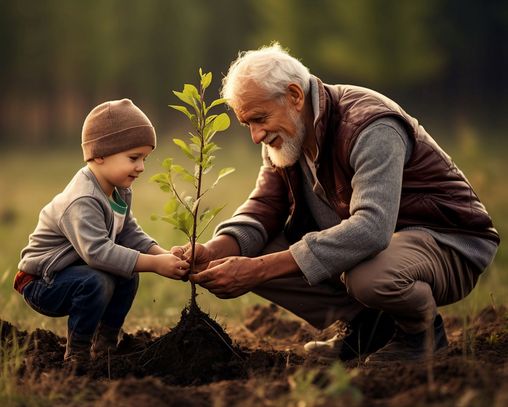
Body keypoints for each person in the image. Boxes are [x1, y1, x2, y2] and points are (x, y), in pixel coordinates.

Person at [174, 43, 500, 364]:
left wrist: (257, 270)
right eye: (248, 125)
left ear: (294, 95)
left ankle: (421, 333)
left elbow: (371, 230)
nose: (256, 136)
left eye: (259, 119)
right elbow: (264, 206)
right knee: (248, 249)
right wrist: (217, 250)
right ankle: (370, 328)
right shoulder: (286, 136)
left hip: (447, 241)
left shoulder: (370, 125)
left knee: (370, 277)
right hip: (377, 249)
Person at [15, 99, 189, 372]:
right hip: (42, 282)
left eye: (144, 158)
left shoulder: (118, 189)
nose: (141, 167)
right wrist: (155, 266)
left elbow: (128, 232)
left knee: (127, 274)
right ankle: (78, 353)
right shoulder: (82, 199)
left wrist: (162, 254)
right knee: (97, 280)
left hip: (74, 272)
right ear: (99, 155)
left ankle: (105, 342)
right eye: (134, 158)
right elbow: (97, 252)